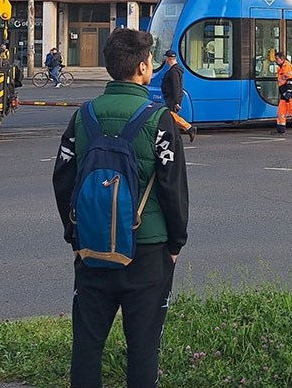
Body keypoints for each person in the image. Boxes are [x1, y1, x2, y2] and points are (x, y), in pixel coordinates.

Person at [52, 28, 189, 388]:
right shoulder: (158, 119)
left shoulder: (84, 116)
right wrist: (176, 245)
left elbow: (62, 178)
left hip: (92, 247)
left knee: (87, 344)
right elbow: (173, 187)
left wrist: (75, 235)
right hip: (148, 248)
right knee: (143, 348)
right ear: (143, 68)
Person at [161, 49, 196, 143]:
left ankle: (189, 128)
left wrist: (176, 102)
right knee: (172, 118)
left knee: (171, 116)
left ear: (168, 59)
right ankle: (176, 136)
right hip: (172, 98)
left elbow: (176, 86)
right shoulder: (176, 70)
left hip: (172, 99)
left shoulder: (174, 71)